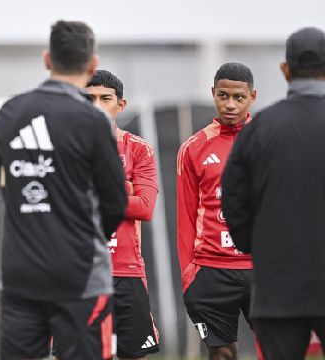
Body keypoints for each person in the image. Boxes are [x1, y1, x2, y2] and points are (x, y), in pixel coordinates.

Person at [0, 21, 127, 360]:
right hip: (80, 275)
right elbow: (115, 202)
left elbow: (6, 184)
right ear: (92, 65)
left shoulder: (10, 114)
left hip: (19, 273)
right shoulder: (94, 121)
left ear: (47, 59)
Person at [221, 27, 325, 359]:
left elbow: (233, 202)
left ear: (285, 69)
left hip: (277, 284)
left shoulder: (259, 129)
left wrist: (255, 245)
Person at [176, 62, 258, 360]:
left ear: (252, 97)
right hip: (211, 272)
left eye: (239, 97)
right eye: (223, 96)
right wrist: (189, 275)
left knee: (280, 348)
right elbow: (185, 215)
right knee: (222, 354)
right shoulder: (193, 147)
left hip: (261, 268)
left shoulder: (267, 140)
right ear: (213, 94)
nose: (231, 105)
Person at [86, 70, 160, 359]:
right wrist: (122, 189)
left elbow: (145, 207)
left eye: (105, 98)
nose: (97, 105)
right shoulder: (65, 149)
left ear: (121, 104)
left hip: (127, 272)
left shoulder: (138, 149)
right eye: (89, 98)